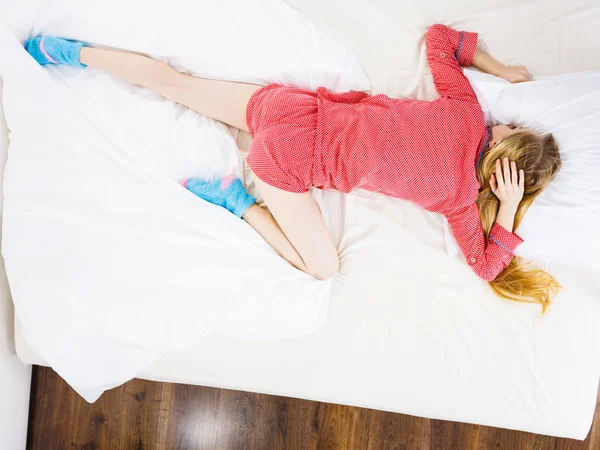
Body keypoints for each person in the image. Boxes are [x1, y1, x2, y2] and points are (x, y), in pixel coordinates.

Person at [23, 24, 562, 311]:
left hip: (292, 109)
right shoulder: (461, 201)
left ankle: (66, 53)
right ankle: (238, 202)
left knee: (174, 83)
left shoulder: (467, 110)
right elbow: (488, 267)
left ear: (506, 139)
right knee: (323, 270)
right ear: (505, 179)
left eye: (514, 126)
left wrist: (496, 66)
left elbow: (441, 38)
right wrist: (508, 214)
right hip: (285, 160)